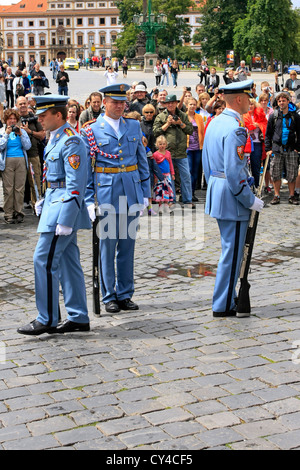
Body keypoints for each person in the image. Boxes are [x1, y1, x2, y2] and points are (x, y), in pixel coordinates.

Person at [17, 95, 91, 336]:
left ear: (58, 115)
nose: (39, 119)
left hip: (62, 212)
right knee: (69, 264)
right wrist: (44, 199)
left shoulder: (72, 141)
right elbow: (55, 178)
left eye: (43, 115)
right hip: (54, 204)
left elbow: (76, 184)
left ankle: (47, 318)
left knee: (44, 260)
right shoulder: (56, 138)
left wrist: (66, 219)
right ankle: (78, 316)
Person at [81, 83, 151, 314]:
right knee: (107, 247)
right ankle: (109, 295)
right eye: (115, 101)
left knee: (127, 246)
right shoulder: (91, 130)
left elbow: (142, 161)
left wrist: (145, 193)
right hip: (106, 192)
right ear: (104, 103)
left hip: (131, 191)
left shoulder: (133, 125)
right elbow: (87, 169)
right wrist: (89, 200)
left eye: (123, 102)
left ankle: (125, 293)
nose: (120, 106)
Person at [202, 79, 263, 317]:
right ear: (239, 99)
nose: (250, 101)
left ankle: (227, 297)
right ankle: (224, 303)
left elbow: (208, 165)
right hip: (232, 198)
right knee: (233, 252)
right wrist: (249, 199)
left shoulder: (215, 122)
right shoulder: (236, 128)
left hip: (218, 192)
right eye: (248, 97)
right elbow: (235, 172)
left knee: (230, 249)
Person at [153, 94, 194, 208]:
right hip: (166, 153)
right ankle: (171, 200)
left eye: (172, 102)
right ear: (165, 104)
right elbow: (155, 132)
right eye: (168, 103)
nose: (170, 105)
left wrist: (180, 123)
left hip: (181, 152)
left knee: (186, 176)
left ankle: (187, 200)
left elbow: (190, 130)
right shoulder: (161, 116)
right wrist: (168, 124)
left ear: (176, 103)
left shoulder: (183, 115)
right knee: (168, 177)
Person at [265, 91, 300, 206]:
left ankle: (291, 196)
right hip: (276, 149)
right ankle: (276, 195)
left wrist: (297, 148)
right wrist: (268, 149)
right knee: (275, 173)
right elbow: (268, 134)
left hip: (291, 149)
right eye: (279, 101)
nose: (281, 103)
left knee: (292, 174)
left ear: (288, 101)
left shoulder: (295, 116)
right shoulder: (273, 116)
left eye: (283, 101)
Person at [0, 108, 31, 224]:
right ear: (6, 120)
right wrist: (7, 135)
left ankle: (18, 212)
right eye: (10, 119)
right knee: (8, 188)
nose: (12, 121)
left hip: (20, 160)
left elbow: (27, 146)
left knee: (19, 188)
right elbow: (0, 146)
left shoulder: (21, 131)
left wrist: (21, 134)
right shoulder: (2, 132)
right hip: (7, 160)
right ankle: (8, 213)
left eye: (14, 119)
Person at [16, 96, 45, 207]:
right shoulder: (14, 118)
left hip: (33, 154)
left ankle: (37, 205)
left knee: (36, 183)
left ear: (27, 104)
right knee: (18, 184)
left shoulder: (34, 118)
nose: (23, 105)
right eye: (20, 104)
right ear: (16, 105)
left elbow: (42, 135)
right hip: (18, 156)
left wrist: (30, 131)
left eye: (24, 103)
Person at [140, 103, 163, 215]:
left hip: (154, 153)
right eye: (146, 112)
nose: (149, 114)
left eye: (151, 112)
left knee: (152, 184)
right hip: (142, 153)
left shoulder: (156, 123)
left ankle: (151, 205)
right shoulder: (140, 125)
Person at [243, 99, 268, 188]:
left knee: (256, 166)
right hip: (246, 144)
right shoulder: (243, 115)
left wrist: (259, 125)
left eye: (252, 104)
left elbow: (265, 125)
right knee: (245, 166)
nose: (250, 106)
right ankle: (246, 186)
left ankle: (256, 186)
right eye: (248, 104)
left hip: (257, 143)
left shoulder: (261, 115)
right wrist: (255, 125)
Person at [186, 97, 204, 202]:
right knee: (188, 171)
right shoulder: (184, 116)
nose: (192, 106)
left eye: (194, 104)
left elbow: (202, 132)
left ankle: (192, 193)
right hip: (188, 147)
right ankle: (187, 193)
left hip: (197, 147)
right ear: (187, 105)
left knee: (195, 172)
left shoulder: (199, 117)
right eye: (190, 104)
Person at [152, 135, 175, 214]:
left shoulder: (168, 153)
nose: (162, 146)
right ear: (157, 145)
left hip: (167, 175)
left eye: (163, 144)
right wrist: (155, 176)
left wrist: (172, 173)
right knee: (160, 191)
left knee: (167, 190)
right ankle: (160, 206)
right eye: (160, 144)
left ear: (166, 144)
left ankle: (166, 205)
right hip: (159, 176)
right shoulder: (155, 154)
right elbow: (154, 167)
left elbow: (170, 164)